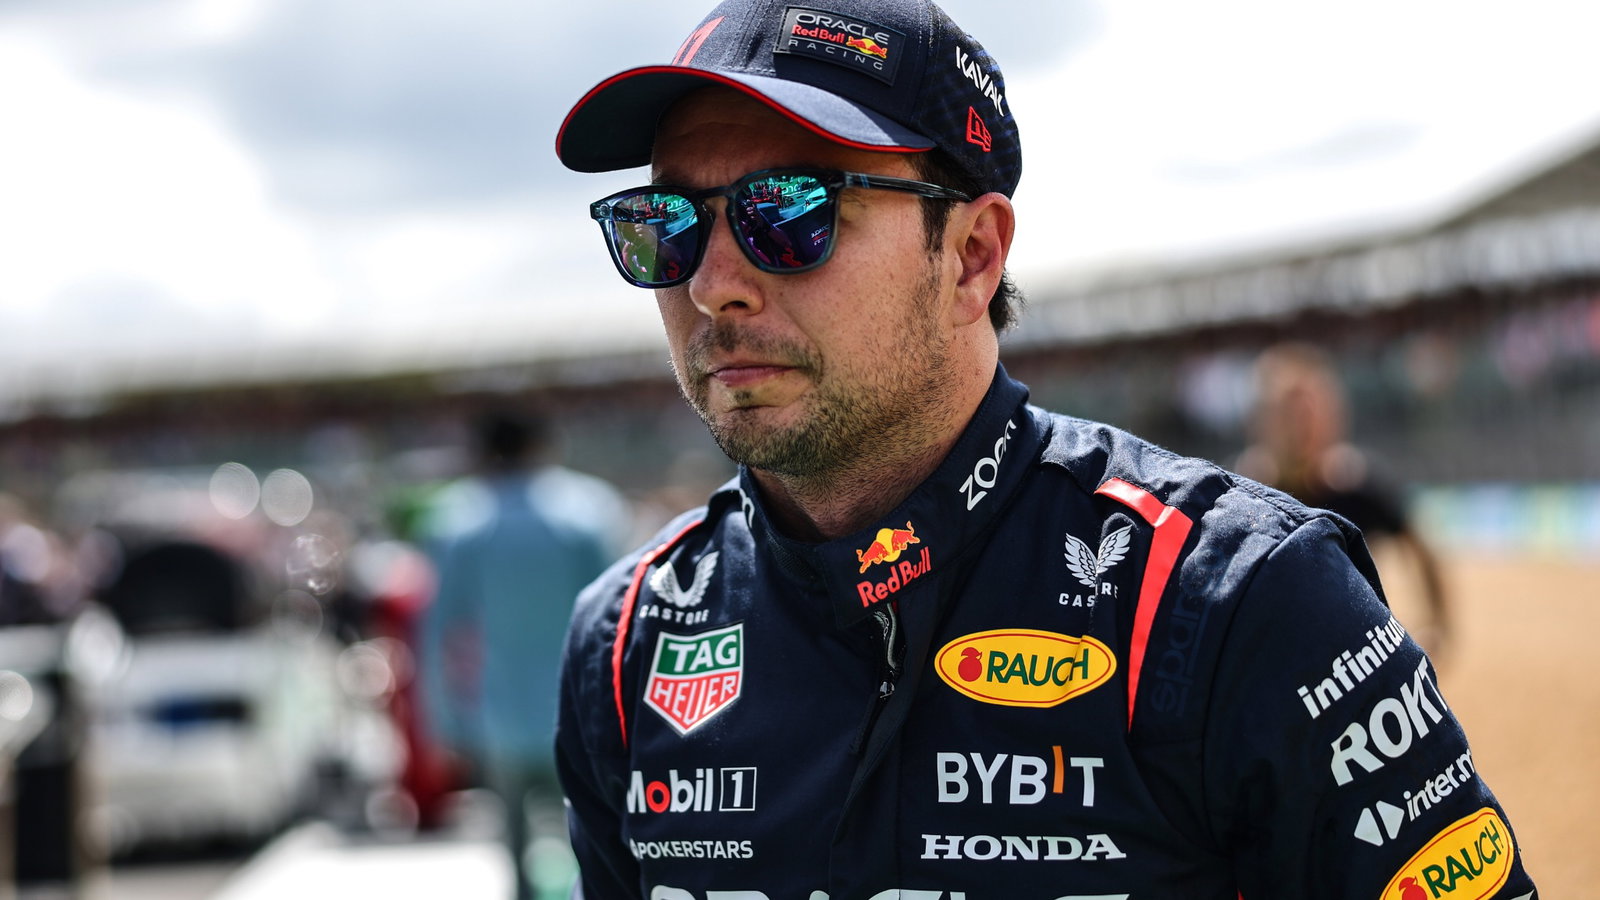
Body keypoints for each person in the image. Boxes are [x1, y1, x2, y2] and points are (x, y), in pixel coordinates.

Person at [551, 2, 1539, 897]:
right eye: (662, 225)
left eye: (790, 213)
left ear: (971, 258)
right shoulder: (626, 640)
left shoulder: (1239, 599)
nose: (710, 284)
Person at [416, 409, 630, 900]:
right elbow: (621, 616)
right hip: (581, 713)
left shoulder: (459, 521)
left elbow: (438, 630)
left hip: (500, 716)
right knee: (595, 849)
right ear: (541, 444)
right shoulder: (587, 512)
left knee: (515, 852)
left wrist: (443, 720)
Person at [1235, 342, 1452, 658]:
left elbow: (1420, 547)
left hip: (1353, 662)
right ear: (1260, 422)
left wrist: (1437, 624)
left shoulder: (1355, 486)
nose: (1302, 428)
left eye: (1311, 414)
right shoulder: (1239, 498)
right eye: (1289, 415)